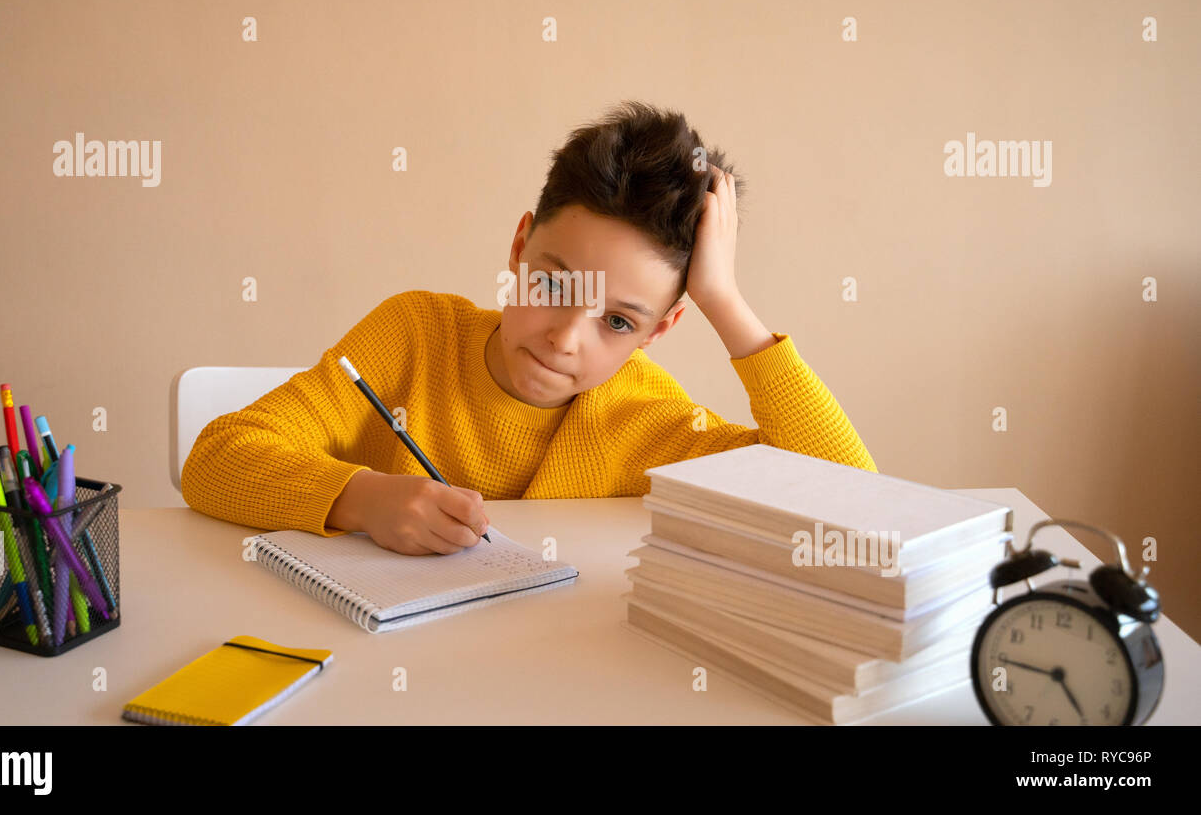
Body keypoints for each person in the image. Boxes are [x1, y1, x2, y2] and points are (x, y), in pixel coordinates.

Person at [181, 100, 877, 555]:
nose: (565, 337)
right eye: (552, 282)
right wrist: (360, 498)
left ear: (658, 332)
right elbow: (216, 458)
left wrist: (725, 300)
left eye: (616, 320)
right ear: (519, 248)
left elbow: (855, 505)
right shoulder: (413, 335)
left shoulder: (649, 418)